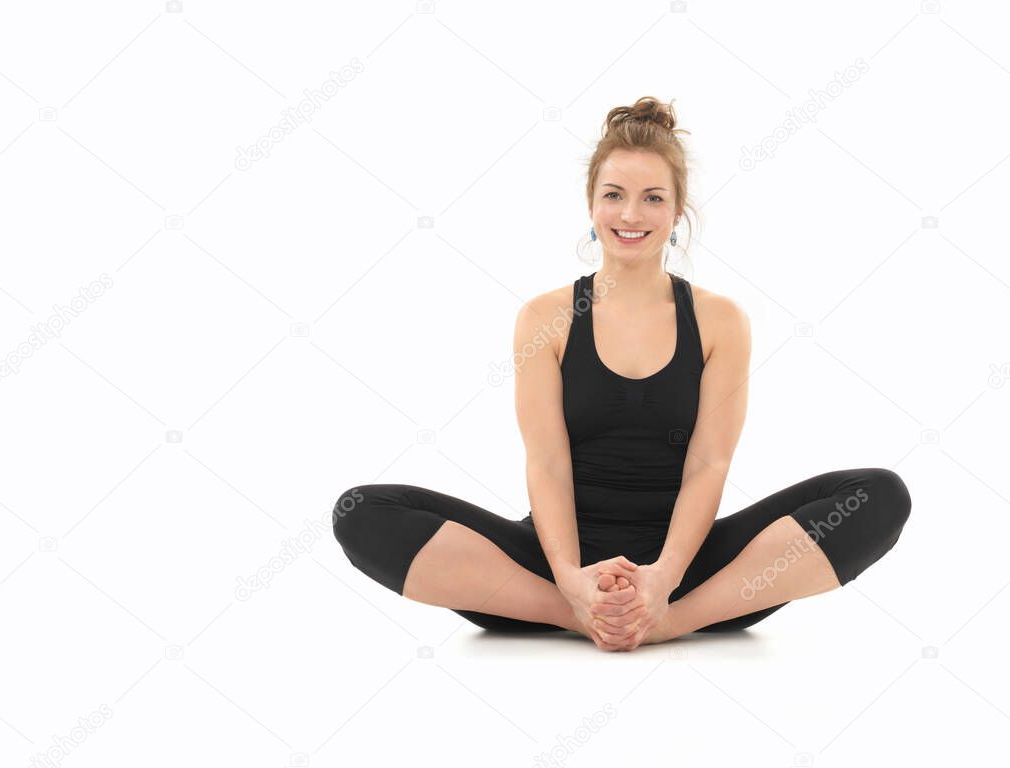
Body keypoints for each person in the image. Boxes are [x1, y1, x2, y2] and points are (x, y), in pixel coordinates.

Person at [332, 96, 912, 652]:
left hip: (689, 570)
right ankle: (584, 618)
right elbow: (549, 462)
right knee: (361, 511)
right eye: (614, 195)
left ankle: (664, 623)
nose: (631, 215)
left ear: (677, 213)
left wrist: (661, 585)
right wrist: (571, 584)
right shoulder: (547, 318)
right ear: (591, 204)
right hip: (551, 566)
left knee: (879, 495)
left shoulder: (720, 321)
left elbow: (709, 464)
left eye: (653, 198)